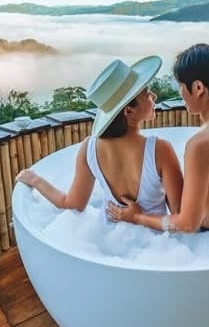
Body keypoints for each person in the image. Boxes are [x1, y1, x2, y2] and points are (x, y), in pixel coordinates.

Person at [108, 44, 209, 232]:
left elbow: (187, 224)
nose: (181, 93)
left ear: (198, 87)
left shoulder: (200, 144)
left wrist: (137, 217)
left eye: (181, 86)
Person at [16, 56, 183, 220]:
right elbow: (180, 215)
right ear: (129, 111)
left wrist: (35, 180)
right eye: (146, 94)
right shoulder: (160, 150)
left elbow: (72, 205)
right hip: (155, 237)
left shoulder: (88, 148)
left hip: (109, 233)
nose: (154, 96)